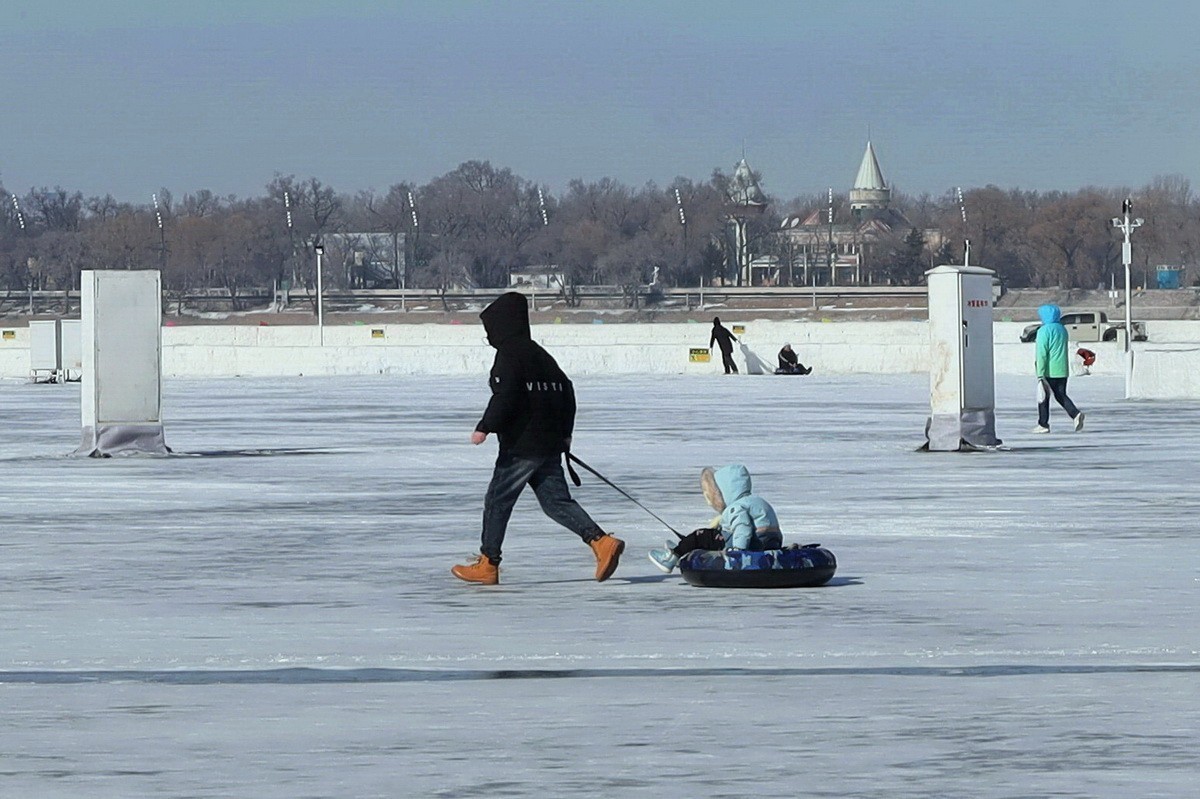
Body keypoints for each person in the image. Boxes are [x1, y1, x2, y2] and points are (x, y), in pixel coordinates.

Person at [452, 292, 625, 585]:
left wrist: (485, 426)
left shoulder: (508, 355)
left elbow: (505, 397)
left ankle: (488, 563)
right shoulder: (542, 356)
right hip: (549, 445)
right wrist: (565, 435)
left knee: (498, 500)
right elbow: (568, 393)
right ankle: (601, 542)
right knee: (556, 502)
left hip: (521, 446)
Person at [648, 464, 783, 573]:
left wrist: (738, 552)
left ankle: (672, 556)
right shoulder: (757, 501)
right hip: (768, 543)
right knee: (712, 535)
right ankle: (683, 546)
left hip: (751, 543)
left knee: (701, 536)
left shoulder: (735, 507)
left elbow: (743, 528)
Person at [1033, 303, 1085, 434]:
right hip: (1062, 369)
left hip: (1049, 369)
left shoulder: (1043, 331)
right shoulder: (1062, 329)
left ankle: (1043, 424)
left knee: (1043, 397)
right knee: (1061, 394)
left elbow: (1042, 353)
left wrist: (1040, 372)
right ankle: (1075, 414)